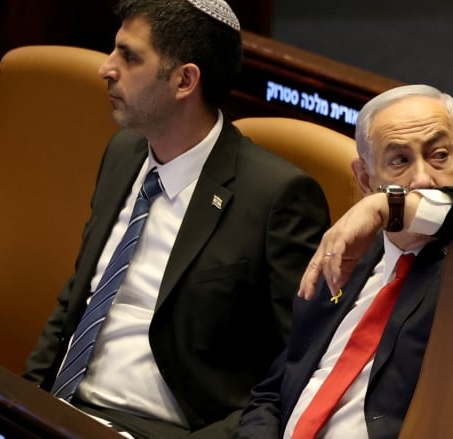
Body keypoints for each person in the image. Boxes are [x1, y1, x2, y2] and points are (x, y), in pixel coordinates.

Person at [22, 1, 331, 438]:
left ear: (185, 80)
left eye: (129, 57)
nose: (105, 69)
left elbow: (295, 372)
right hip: (61, 411)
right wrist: (21, 400)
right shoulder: (123, 153)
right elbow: (79, 298)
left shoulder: (276, 198)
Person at [232, 84, 453, 439]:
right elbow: (276, 388)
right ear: (364, 179)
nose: (421, 179)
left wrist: (391, 207)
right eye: (399, 161)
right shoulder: (346, 258)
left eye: (438, 155)